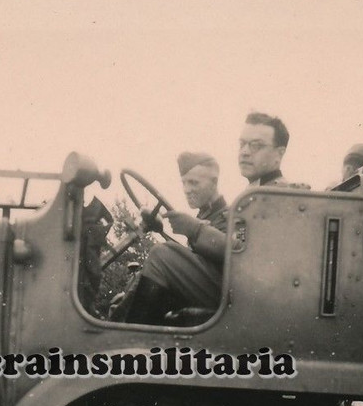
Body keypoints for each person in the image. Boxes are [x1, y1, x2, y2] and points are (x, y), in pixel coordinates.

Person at [121, 113, 304, 324]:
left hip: (251, 298)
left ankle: (130, 339)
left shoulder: (278, 196)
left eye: (256, 145)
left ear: (278, 154)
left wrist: (196, 230)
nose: (244, 152)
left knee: (162, 257)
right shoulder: (257, 193)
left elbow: (249, 256)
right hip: (240, 290)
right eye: (242, 144)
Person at [118, 151, 229, 324]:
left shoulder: (230, 217)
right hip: (204, 290)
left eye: (194, 183)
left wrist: (192, 230)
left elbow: (230, 255)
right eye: (184, 183)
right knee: (132, 287)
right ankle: (117, 323)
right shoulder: (205, 216)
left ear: (214, 182)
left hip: (223, 297)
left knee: (160, 255)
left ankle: (127, 336)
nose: (186, 190)